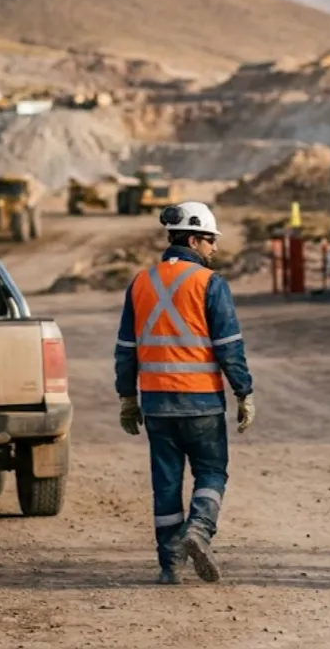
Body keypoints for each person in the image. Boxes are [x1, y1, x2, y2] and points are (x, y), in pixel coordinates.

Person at [114, 201, 256, 585]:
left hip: (157, 404)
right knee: (211, 471)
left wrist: (128, 398)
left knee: (166, 482)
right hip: (202, 403)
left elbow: (126, 347)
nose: (213, 249)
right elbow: (229, 345)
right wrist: (244, 392)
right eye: (210, 241)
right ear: (193, 239)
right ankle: (200, 529)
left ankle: (170, 565)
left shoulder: (141, 282)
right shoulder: (210, 283)